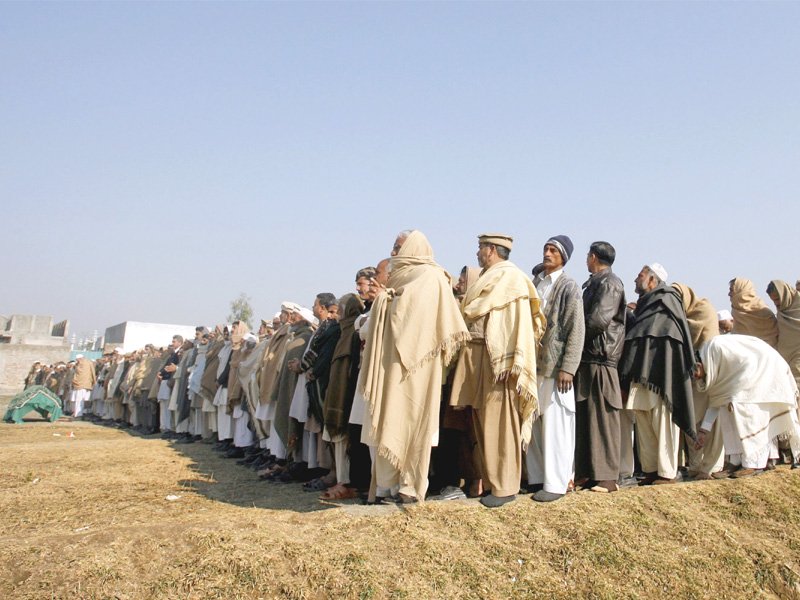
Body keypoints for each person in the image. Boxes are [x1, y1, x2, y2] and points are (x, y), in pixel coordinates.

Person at [360, 230, 470, 503]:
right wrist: (385, 299)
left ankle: (410, 486)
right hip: (392, 362)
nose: (394, 252)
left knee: (415, 423)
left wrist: (388, 299)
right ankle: (387, 486)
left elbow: (421, 318)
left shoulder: (432, 277)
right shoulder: (398, 278)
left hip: (419, 365)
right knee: (388, 418)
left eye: (399, 246)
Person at [450, 233, 545, 508]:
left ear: (491, 250)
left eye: (480, 248)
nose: (477, 253)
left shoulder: (511, 278)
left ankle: (505, 486)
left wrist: (508, 359)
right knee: (481, 423)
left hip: (498, 361)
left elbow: (515, 324)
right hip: (477, 355)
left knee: (501, 424)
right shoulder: (488, 277)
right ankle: (492, 483)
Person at [619, 263, 696, 485]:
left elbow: (670, 339)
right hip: (641, 374)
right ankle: (651, 470)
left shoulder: (667, 300)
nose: (635, 279)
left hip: (663, 375)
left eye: (640, 275)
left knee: (663, 423)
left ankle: (666, 472)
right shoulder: (643, 306)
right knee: (643, 422)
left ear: (652, 280)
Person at [526, 235, 584, 502]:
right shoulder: (536, 283)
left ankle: (557, 483)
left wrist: (568, 368)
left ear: (563, 257)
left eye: (553, 250)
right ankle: (537, 478)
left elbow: (576, 329)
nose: (547, 254)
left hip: (556, 366)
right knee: (534, 424)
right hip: (534, 365)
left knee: (557, 426)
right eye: (545, 249)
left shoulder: (568, 286)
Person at [694, 334, 800, 476]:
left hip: (761, 370)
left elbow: (747, 362)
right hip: (747, 372)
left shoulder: (716, 350)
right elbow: (717, 400)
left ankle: (753, 464)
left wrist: (740, 390)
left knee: (747, 410)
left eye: (694, 373)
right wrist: (704, 431)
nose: (695, 377)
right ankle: (735, 460)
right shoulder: (714, 363)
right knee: (728, 407)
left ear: (698, 365)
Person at [574, 241, 626, 493]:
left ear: (593, 257)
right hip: (588, 358)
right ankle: (589, 474)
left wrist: (573, 334)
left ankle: (607, 478)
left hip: (602, 357)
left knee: (604, 417)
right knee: (588, 417)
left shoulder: (610, 283)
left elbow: (599, 320)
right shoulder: (596, 282)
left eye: (587, 256)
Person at [672, 283, 724, 479]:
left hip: (708, 372)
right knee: (691, 420)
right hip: (689, 376)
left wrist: (702, 365)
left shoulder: (705, 310)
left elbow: (711, 342)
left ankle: (712, 467)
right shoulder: (679, 317)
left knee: (710, 422)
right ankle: (695, 466)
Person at [767, 280, 800, 386]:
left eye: (777, 299)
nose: (776, 303)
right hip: (784, 358)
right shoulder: (782, 311)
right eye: (773, 300)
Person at [729, 278, 778, 347]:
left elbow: (772, 338)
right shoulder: (736, 311)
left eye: (731, 290)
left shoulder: (763, 311)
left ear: (742, 291)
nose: (729, 294)